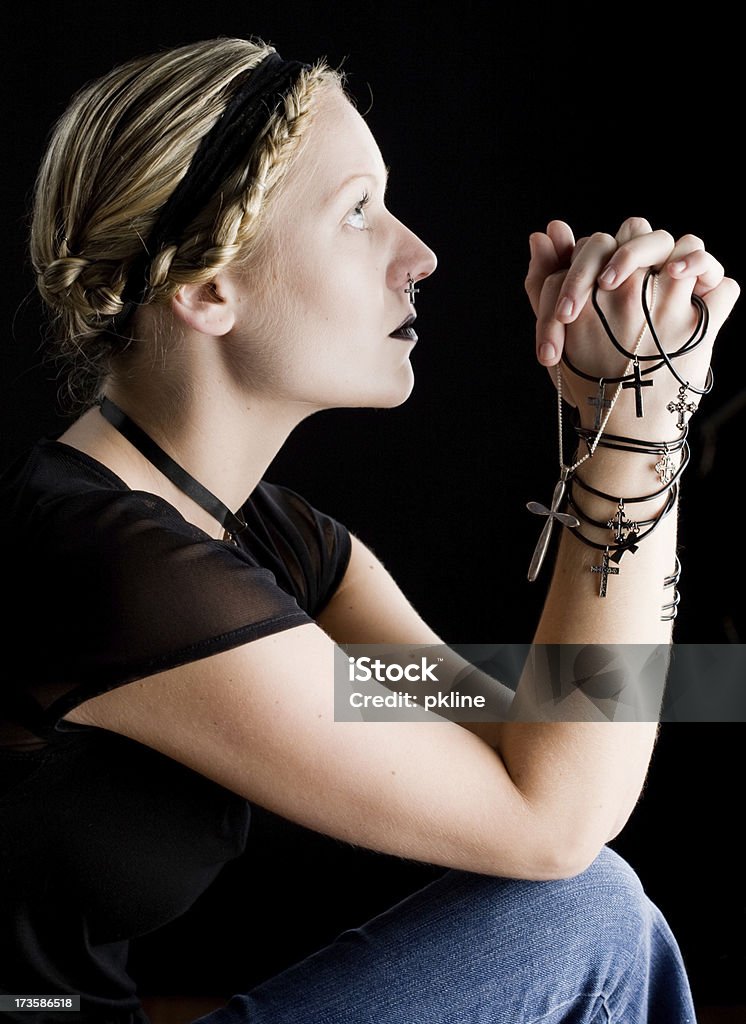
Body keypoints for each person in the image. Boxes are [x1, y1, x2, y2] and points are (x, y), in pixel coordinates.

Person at [0, 35, 738, 1024]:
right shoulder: (110, 566)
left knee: (591, 911)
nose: (418, 256)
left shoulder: (274, 544)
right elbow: (552, 820)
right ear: (207, 288)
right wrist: (637, 425)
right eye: (357, 212)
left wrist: (623, 407)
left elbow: (529, 736)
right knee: (588, 917)